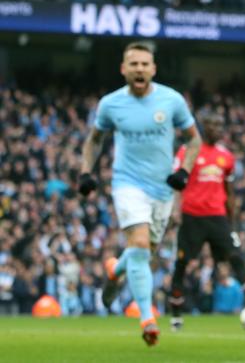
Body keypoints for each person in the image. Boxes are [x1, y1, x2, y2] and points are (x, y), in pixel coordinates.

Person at [78, 42, 200, 346]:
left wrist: (184, 170)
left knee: (144, 254)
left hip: (163, 188)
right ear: (124, 69)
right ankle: (147, 318)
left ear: (153, 69)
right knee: (140, 244)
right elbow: (94, 140)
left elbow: (194, 140)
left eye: (145, 64)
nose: (140, 69)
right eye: (134, 64)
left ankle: (115, 270)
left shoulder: (171, 100)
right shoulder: (111, 104)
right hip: (127, 183)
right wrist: (86, 172)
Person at [168, 111, 245, 331]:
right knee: (182, 264)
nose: (219, 130)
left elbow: (230, 192)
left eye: (220, 125)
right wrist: (175, 209)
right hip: (192, 215)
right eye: (213, 125)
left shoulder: (226, 156)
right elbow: (177, 183)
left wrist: (232, 223)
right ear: (202, 127)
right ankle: (176, 315)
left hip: (217, 216)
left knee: (236, 257)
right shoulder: (188, 150)